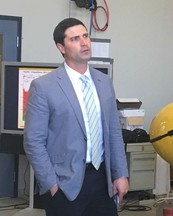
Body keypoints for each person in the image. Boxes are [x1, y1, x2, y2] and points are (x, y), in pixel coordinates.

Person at [24, 17, 129, 216]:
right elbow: (33, 141)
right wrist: (51, 184)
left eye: (85, 36)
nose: (83, 43)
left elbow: (114, 133)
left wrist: (120, 174)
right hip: (64, 185)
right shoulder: (44, 87)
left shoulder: (104, 82)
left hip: (103, 182)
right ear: (61, 47)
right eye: (74, 39)